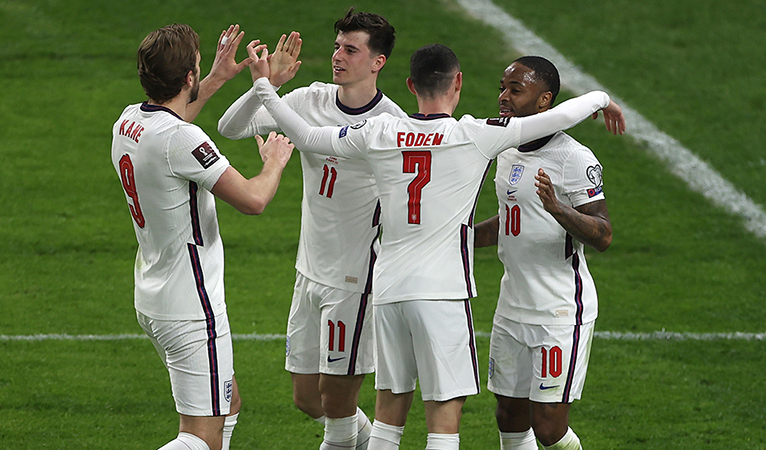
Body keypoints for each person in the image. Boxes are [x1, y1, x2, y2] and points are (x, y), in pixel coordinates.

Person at [245, 43, 624, 450]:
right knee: (443, 421)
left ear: (410, 85)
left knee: (388, 416)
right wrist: (601, 98)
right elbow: (561, 116)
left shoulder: (379, 131)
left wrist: (264, 86)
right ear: (458, 83)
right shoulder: (475, 134)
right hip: (442, 293)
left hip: (388, 289)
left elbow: (304, 134)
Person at [217, 9, 405, 450]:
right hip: (308, 270)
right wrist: (269, 86)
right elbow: (230, 128)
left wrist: (268, 90)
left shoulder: (391, 124)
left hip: (354, 280)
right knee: (307, 399)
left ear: (377, 62)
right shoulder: (311, 99)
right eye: (337, 46)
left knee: (336, 406)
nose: (338, 56)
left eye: (351, 50)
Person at [110, 23, 294, 450]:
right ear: (187, 76)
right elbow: (253, 200)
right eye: (197, 64)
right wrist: (274, 161)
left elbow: (173, 128)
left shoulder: (129, 121)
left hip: (155, 296)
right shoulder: (181, 139)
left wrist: (217, 78)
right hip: (192, 307)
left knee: (228, 406)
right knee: (199, 437)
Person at [473, 56, 612, 450]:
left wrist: (558, 209)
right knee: (508, 414)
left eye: (515, 90)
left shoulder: (573, 158)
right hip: (512, 305)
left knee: (548, 428)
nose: (503, 97)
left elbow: (603, 235)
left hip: (559, 311)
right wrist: (459, 238)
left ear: (544, 100)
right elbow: (510, 220)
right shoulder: (506, 148)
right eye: (502, 87)